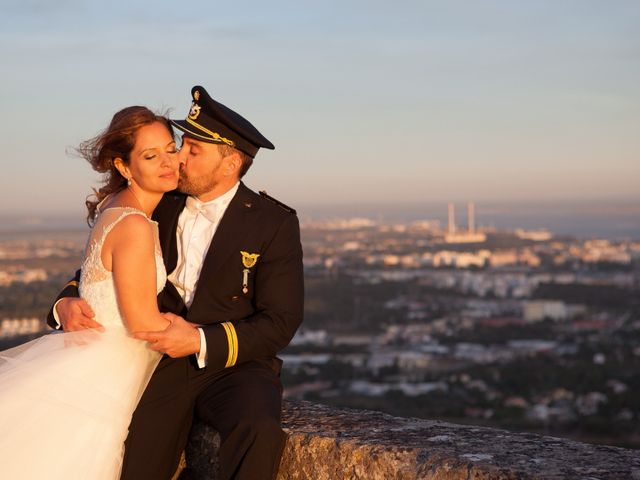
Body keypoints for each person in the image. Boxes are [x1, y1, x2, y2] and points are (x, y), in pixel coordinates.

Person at [50, 86, 305, 480]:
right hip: (159, 363)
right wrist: (65, 300)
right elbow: (103, 264)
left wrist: (200, 341)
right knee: (134, 461)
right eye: (180, 145)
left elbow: (281, 320)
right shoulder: (159, 202)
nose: (178, 158)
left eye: (193, 150)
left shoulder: (273, 222)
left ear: (230, 163)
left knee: (259, 430)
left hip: (234, 365)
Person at [0, 106, 180, 479]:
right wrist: (187, 327)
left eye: (170, 148)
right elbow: (142, 321)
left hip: (89, 357)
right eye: (151, 156)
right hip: (111, 368)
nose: (168, 162)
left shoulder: (113, 207)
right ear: (125, 167)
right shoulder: (133, 224)